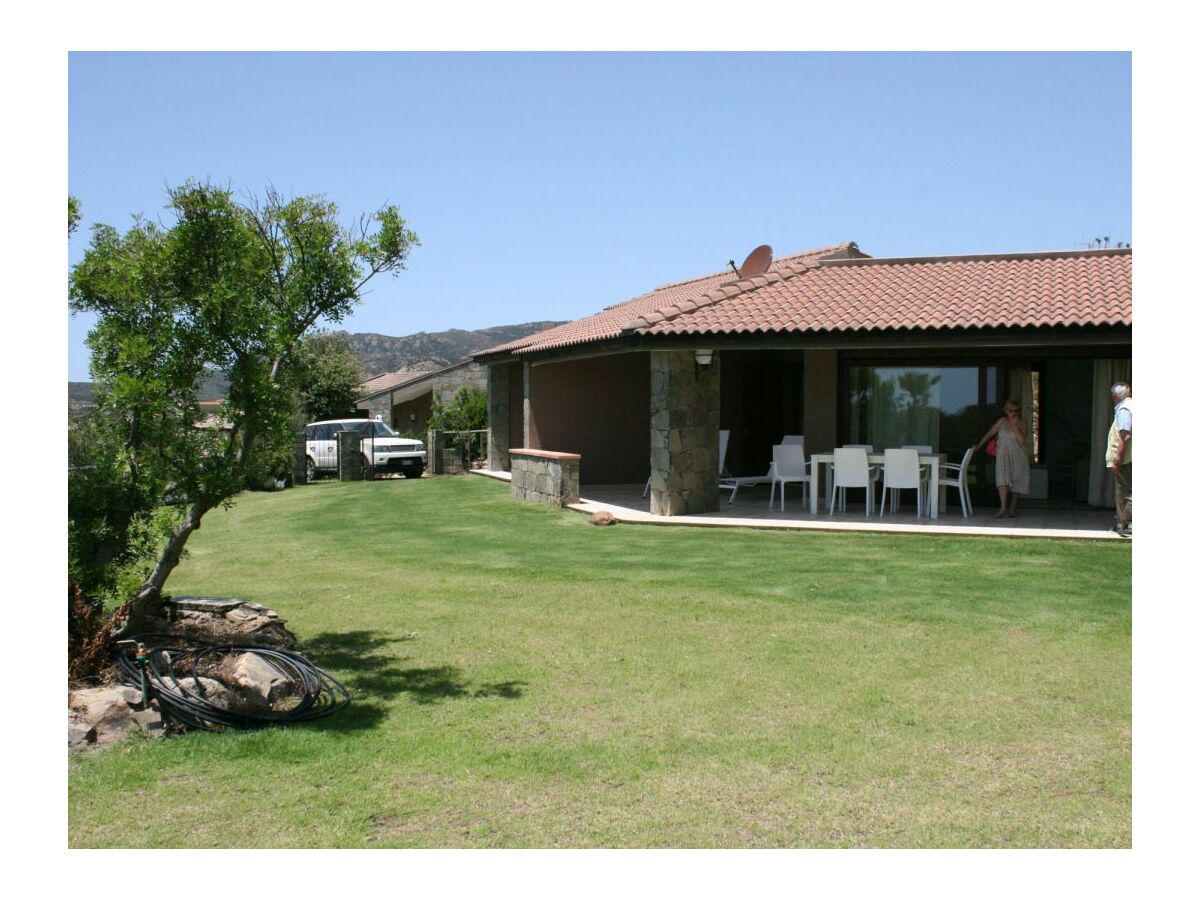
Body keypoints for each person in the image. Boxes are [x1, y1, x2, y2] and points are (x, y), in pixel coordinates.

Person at [976, 400, 1030, 518]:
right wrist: (979, 446)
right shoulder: (1002, 421)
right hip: (1003, 455)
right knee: (1002, 480)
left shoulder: (1023, 423)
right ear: (1006, 411)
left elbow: (1022, 440)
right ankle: (1003, 508)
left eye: (1016, 411)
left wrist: (1014, 425)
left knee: (1016, 480)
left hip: (1018, 455)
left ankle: (1012, 509)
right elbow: (990, 434)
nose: (1013, 413)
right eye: (1011, 411)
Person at [1106, 382, 1132, 537]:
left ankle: (1128, 525)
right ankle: (1123, 524)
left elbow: (1125, 435)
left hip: (1126, 459)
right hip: (1129, 458)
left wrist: (1118, 458)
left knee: (1125, 492)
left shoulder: (1124, 410)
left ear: (1115, 396)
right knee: (1124, 491)